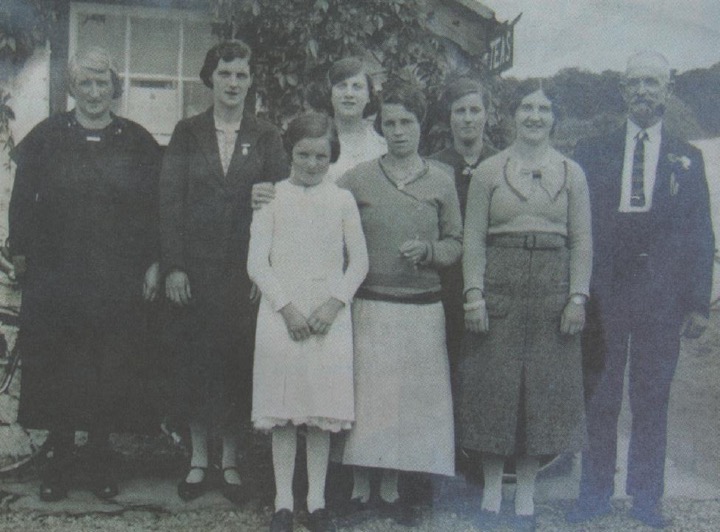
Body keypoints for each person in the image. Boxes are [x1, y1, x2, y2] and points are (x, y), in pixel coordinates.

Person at [567, 51, 714, 529]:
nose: (643, 91)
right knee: (601, 392)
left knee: (652, 395)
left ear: (667, 90)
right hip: (607, 290)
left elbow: (700, 232)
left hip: (661, 295)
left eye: (652, 83)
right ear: (623, 92)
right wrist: (579, 291)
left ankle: (647, 498)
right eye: (635, 83)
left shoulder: (687, 158)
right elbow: (578, 224)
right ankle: (593, 493)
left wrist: (698, 303)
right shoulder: (594, 150)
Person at [8, 46, 162, 501]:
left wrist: (154, 260)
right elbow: (21, 201)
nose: (95, 93)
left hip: (116, 276)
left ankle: (98, 455)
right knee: (58, 363)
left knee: (107, 363)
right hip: (56, 274)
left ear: (115, 88)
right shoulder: (48, 135)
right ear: (73, 88)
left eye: (103, 84)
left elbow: (154, 208)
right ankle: (59, 457)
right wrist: (20, 254)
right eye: (85, 84)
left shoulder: (136, 140)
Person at [159, 40, 288, 504]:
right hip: (195, 272)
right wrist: (174, 266)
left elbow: (283, 201)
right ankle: (197, 460)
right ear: (210, 79)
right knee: (195, 362)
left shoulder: (268, 136)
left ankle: (230, 462)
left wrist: (265, 272)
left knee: (236, 364)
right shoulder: (187, 132)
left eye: (241, 74)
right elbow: (170, 202)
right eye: (225, 74)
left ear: (250, 81)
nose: (233, 83)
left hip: (246, 273)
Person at [460, 80, 592, 531]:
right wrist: (473, 293)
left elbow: (582, 240)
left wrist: (578, 295)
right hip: (500, 281)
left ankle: (528, 499)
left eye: (544, 108)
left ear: (554, 118)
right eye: (526, 108)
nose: (534, 116)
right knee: (494, 388)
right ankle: (493, 495)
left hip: (553, 287)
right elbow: (473, 237)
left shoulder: (571, 172)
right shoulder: (489, 171)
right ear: (512, 116)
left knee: (543, 389)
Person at [337, 82, 461, 525]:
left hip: (422, 308)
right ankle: (359, 486)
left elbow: (456, 243)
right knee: (370, 397)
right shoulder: (357, 178)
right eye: (390, 122)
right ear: (380, 126)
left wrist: (429, 251)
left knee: (408, 401)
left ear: (421, 125)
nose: (399, 131)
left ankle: (391, 486)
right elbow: (331, 229)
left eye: (407, 122)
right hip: (371, 304)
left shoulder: (441, 180)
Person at [248, 113, 368, 532]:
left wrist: (334, 305)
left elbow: (360, 262)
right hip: (281, 316)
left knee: (319, 411)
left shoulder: (342, 200)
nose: (313, 164)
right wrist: (287, 308)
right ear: (289, 153)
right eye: (304, 154)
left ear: (332, 156)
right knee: (284, 411)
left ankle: (316, 501)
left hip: (327, 320)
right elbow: (256, 264)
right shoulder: (272, 198)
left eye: (321, 155)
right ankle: (283, 500)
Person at [428, 77, 497, 481]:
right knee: (446, 368)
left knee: (485, 372)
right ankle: (445, 461)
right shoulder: (435, 166)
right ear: (448, 118)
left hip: (488, 285)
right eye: (460, 111)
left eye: (475, 110)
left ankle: (481, 464)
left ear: (487, 115)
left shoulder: (502, 163)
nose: (468, 119)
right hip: (444, 285)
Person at [251, 56, 386, 207]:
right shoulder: (312, 142)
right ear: (330, 94)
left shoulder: (382, 147)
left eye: (357, 87)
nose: (349, 93)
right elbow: (289, 192)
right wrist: (264, 194)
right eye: (342, 86)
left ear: (369, 95)